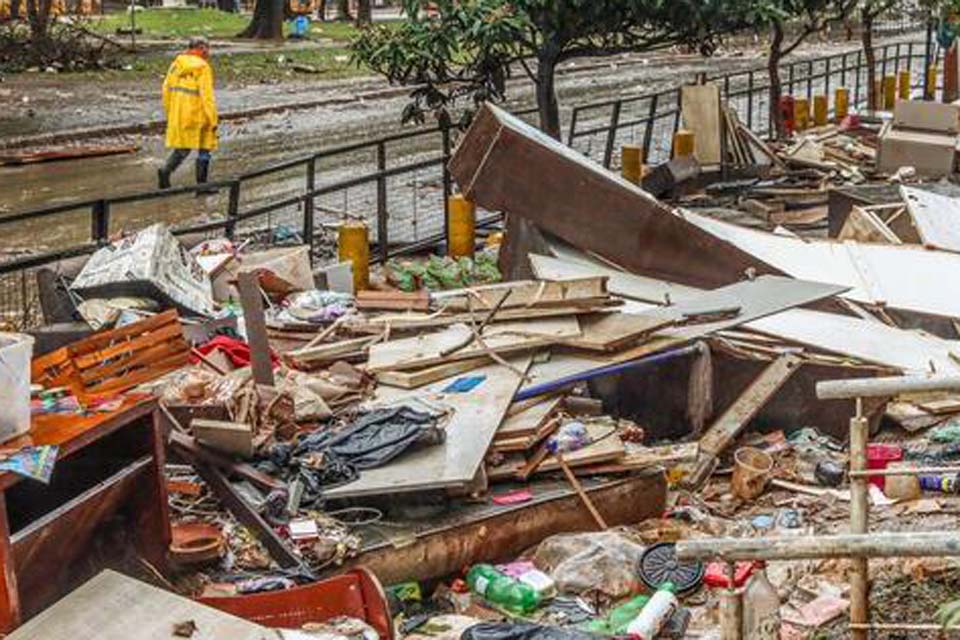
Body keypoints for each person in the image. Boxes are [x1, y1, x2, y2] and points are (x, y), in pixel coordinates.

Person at [159, 36, 218, 190]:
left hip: (179, 113)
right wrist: (212, 119)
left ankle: (165, 171)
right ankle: (202, 185)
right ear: (201, 48)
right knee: (205, 147)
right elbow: (207, 96)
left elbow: (166, 89)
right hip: (199, 114)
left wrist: (170, 112)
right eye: (207, 48)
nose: (208, 52)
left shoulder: (175, 65)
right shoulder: (203, 67)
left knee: (183, 147)